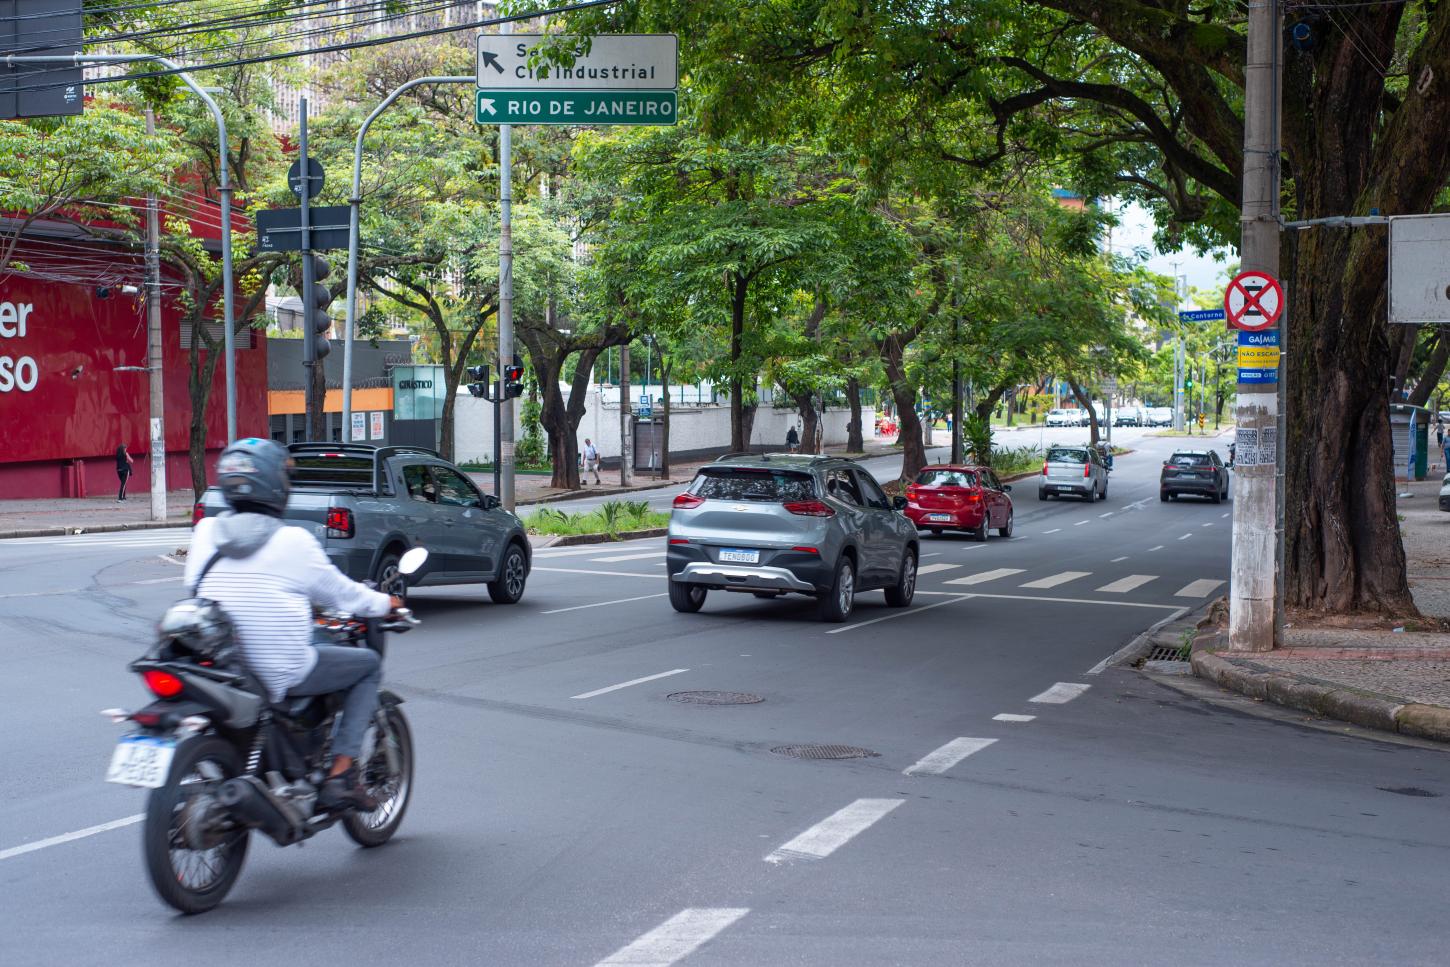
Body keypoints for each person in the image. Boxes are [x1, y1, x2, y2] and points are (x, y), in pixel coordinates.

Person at [184, 438, 401, 812]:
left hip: (224, 665)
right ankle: (341, 776)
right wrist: (387, 603)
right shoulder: (294, 540)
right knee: (367, 667)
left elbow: (196, 587)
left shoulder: (206, 532)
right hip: (277, 671)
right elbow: (344, 595)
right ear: (276, 486)